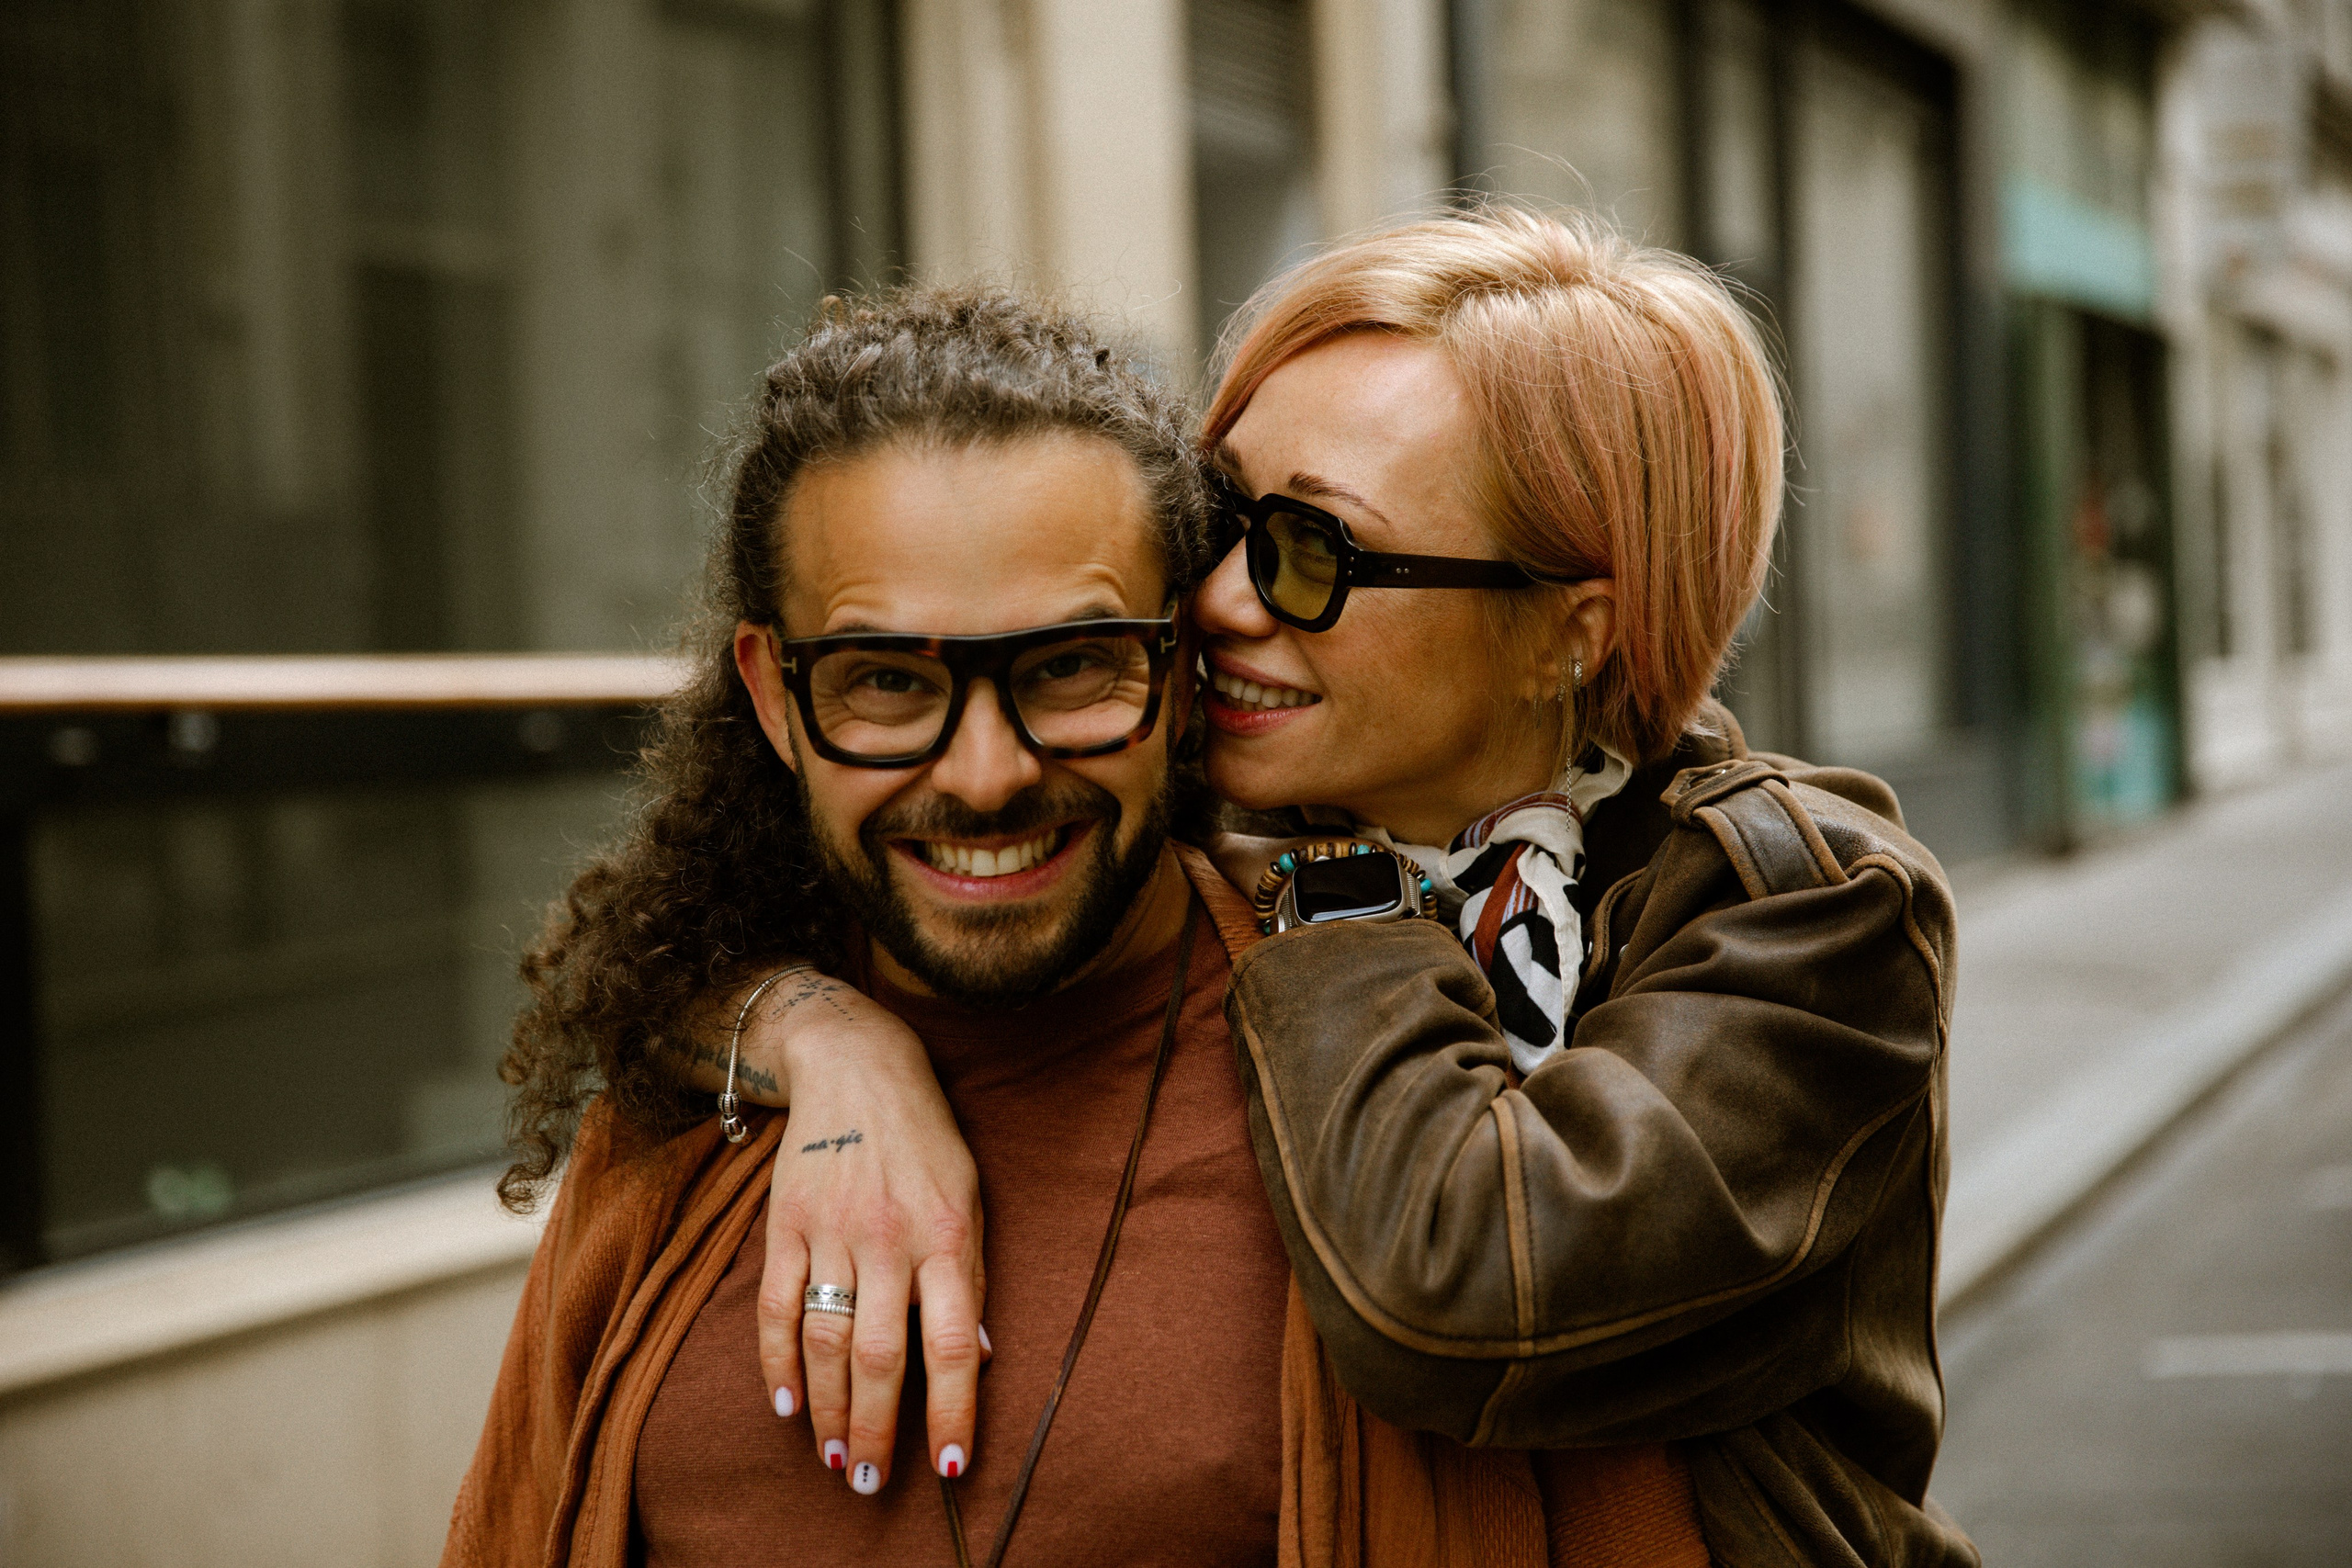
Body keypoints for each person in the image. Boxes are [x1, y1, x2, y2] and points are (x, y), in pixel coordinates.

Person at [713, 205, 1979, 1567]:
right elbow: (680, 922)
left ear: (1567, 633)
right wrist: (826, 1044)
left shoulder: (1807, 910)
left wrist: (1339, 893)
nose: (1219, 600)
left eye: (1310, 553)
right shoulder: (1175, 789)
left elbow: (1453, 1287)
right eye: (1222, 519)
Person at [444, 287, 1297, 1567]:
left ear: (1179, 673)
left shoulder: (1366, 1074)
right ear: (774, 701)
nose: (987, 775)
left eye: (1073, 664)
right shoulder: (687, 1110)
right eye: (888, 681)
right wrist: (832, 1043)